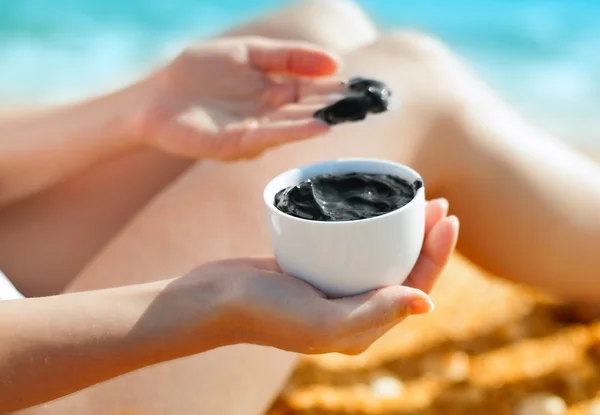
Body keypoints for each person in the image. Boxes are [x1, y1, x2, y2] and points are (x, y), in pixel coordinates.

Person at [1, 0, 599, 414]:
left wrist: (142, 108)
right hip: (44, 382)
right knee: (415, 83)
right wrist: (211, 303)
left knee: (318, 29)